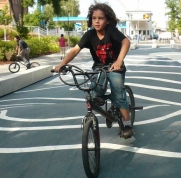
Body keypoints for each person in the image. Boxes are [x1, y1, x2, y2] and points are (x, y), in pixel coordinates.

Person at [53, 3, 133, 138]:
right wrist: (62, 64)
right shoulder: (89, 35)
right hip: (99, 68)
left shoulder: (111, 31)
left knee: (119, 94)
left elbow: (126, 42)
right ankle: (110, 110)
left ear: (107, 20)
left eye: (100, 18)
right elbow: (75, 50)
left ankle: (127, 124)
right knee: (96, 91)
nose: (96, 21)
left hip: (115, 67)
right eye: (94, 18)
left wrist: (119, 60)